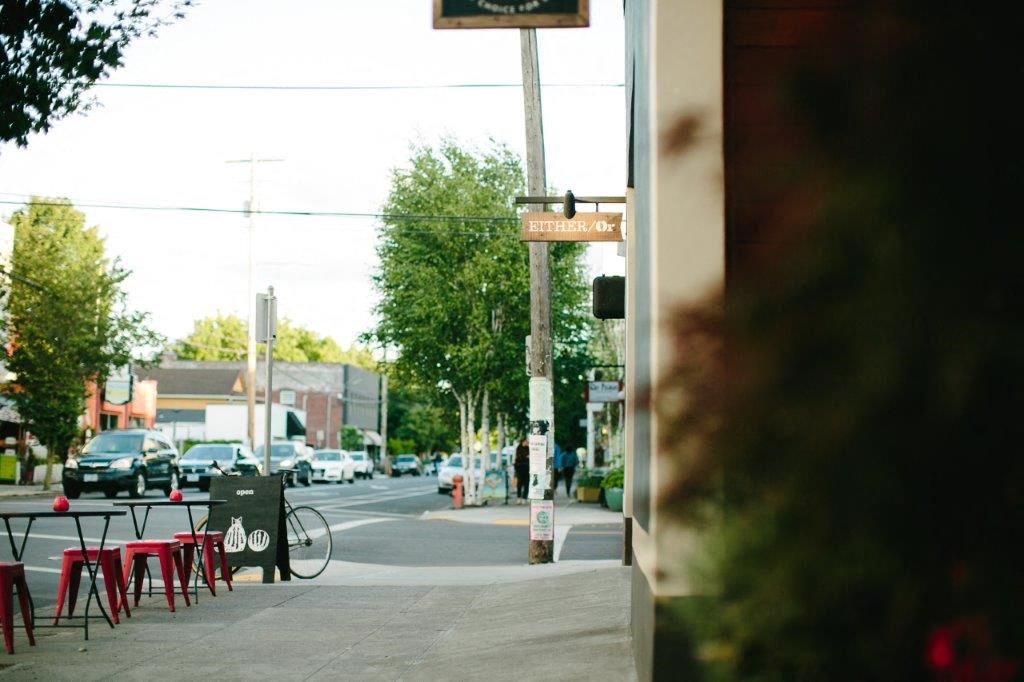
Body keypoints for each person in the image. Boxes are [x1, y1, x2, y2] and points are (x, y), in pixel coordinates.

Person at [513, 437, 530, 505]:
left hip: (527, 468)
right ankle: (519, 497)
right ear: (523, 442)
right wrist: (526, 456)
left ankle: (524, 498)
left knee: (526, 483)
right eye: (526, 441)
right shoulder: (518, 448)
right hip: (520, 468)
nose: (527, 442)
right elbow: (518, 458)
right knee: (519, 483)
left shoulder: (529, 448)